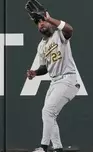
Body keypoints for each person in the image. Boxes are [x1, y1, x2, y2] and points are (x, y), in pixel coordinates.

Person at [26, 9, 79, 152]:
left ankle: (43, 148)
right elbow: (45, 67)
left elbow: (69, 29)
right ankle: (57, 148)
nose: (40, 24)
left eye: (42, 21)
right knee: (50, 115)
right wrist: (35, 72)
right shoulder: (41, 46)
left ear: (49, 23)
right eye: (38, 23)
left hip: (68, 79)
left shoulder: (59, 34)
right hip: (55, 82)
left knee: (47, 111)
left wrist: (50, 19)